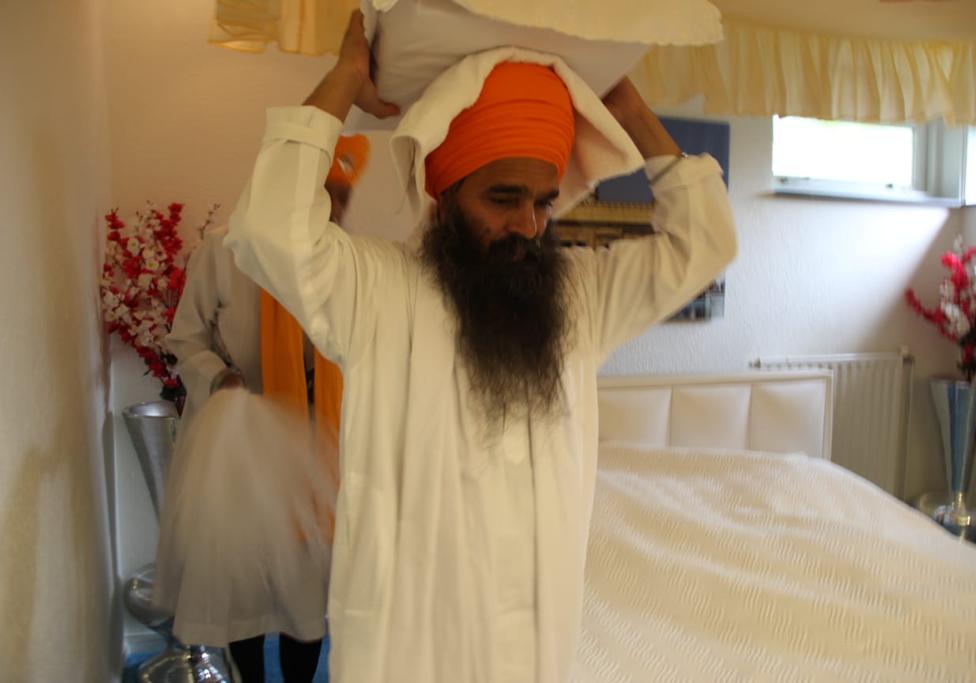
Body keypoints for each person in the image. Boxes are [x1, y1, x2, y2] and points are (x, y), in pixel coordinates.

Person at [224, 10, 737, 682]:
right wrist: (346, 77)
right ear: (444, 196)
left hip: (534, 644)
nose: (528, 223)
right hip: (411, 650)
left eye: (544, 201)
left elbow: (704, 243)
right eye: (503, 198)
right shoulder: (376, 293)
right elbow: (269, 228)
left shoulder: (577, 300)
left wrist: (628, 109)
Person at [163, 135, 369, 683]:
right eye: (325, 193)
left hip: (312, 443)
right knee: (246, 590)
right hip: (241, 442)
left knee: (307, 591)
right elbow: (185, 338)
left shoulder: (344, 260)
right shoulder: (225, 251)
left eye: (343, 196)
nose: (335, 208)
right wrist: (220, 378)